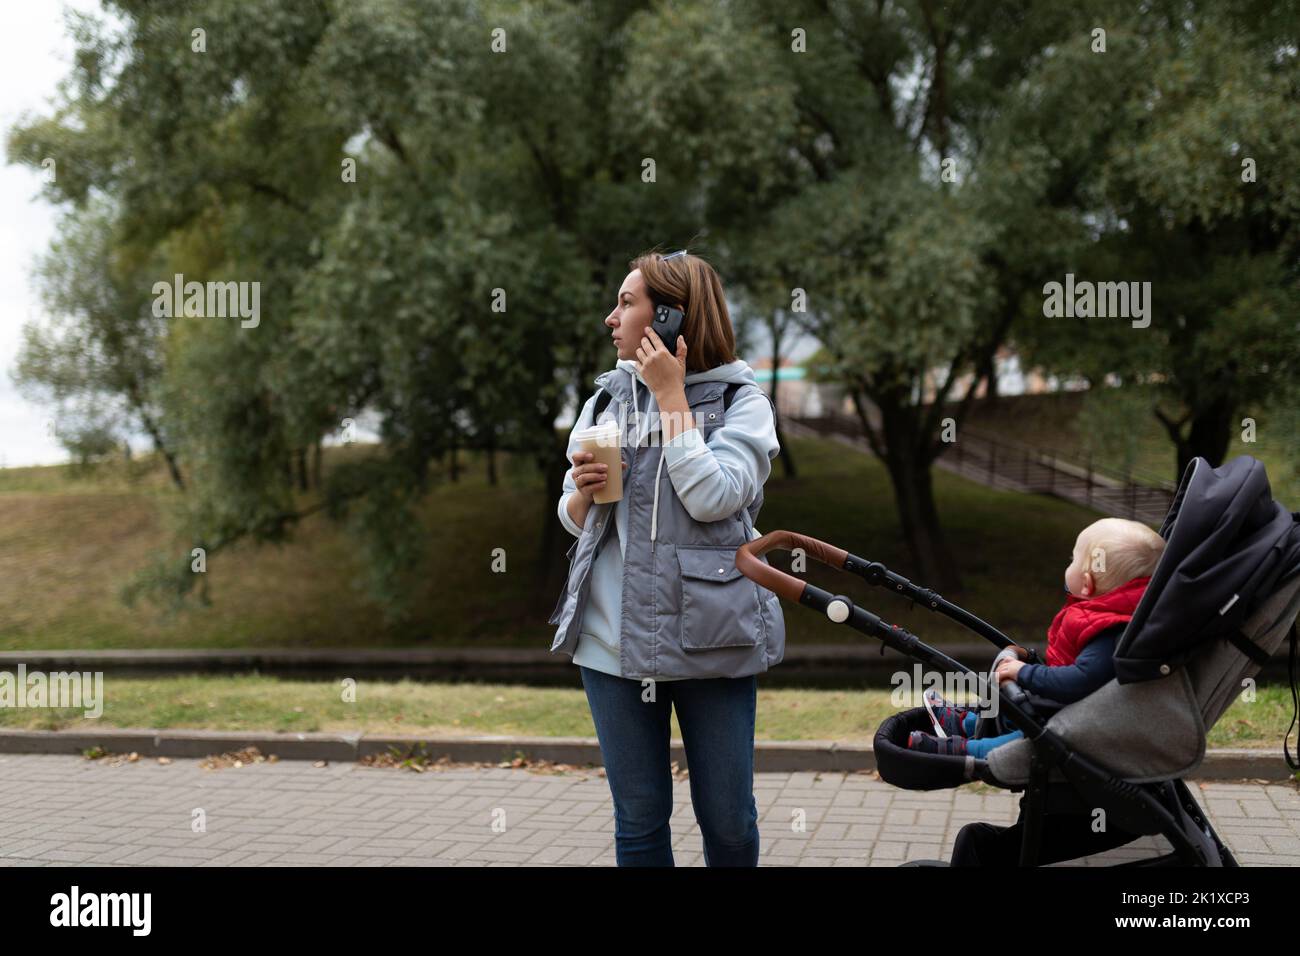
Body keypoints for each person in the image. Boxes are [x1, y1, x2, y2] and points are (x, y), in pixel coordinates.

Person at [547, 248, 785, 866]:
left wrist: (672, 397)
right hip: (612, 642)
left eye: (627, 303)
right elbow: (572, 518)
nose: (611, 318)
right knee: (640, 821)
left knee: (729, 823)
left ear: (672, 318)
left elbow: (715, 498)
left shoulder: (741, 403)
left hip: (712, 639)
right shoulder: (605, 402)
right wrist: (585, 497)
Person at [908, 517, 1166, 757]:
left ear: (1087, 583)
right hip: (1062, 707)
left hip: (1070, 719)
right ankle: (964, 722)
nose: (1068, 565)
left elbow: (1078, 681)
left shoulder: (1111, 632)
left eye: (1072, 560)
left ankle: (965, 750)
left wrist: (1023, 672)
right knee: (1016, 705)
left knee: (1023, 738)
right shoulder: (1115, 616)